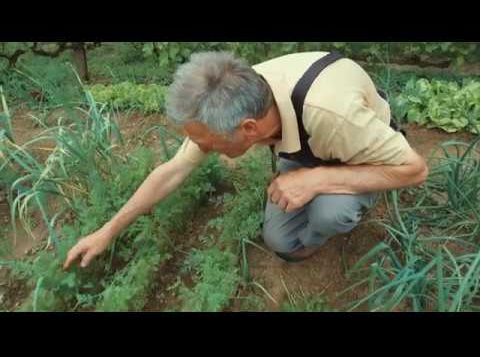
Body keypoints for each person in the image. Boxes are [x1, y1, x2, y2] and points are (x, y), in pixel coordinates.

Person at [63, 50, 428, 269]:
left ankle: (336, 220)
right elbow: (172, 171)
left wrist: (316, 180)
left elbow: (414, 169)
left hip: (357, 147)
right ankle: (315, 196)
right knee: (281, 242)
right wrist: (108, 230)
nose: (205, 150)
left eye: (209, 144)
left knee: (330, 212)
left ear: (249, 128)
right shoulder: (233, 99)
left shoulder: (332, 115)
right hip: (307, 143)